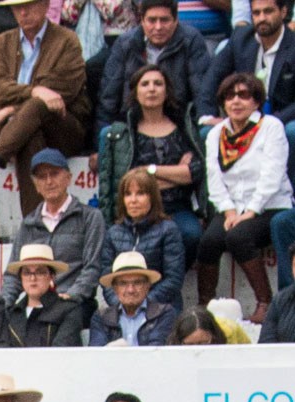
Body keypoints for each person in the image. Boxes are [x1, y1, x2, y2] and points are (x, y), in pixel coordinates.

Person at [0, 0, 89, 218]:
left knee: (41, 104)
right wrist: (35, 91)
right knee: (30, 135)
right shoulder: (0, 43)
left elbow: (63, 90)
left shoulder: (67, 40)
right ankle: (38, 223)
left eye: (29, 4)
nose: (23, 11)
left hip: (61, 126)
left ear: (45, 5)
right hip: (16, 133)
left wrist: (8, 110)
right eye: (16, 7)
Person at [199, 73, 289, 321]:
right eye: (230, 96)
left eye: (244, 95)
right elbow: (213, 177)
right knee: (209, 241)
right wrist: (228, 210)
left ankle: (265, 302)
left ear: (256, 101)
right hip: (232, 207)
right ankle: (203, 306)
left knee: (239, 236)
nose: (236, 101)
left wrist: (251, 210)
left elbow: (273, 174)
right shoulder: (216, 133)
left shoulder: (270, 127)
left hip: (270, 205)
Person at [100, 66, 203, 275]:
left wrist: (151, 170)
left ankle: (168, 283)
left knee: (192, 234)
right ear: (135, 92)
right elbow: (127, 181)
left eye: (158, 84)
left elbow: (193, 172)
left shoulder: (184, 126)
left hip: (176, 207)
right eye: (145, 84)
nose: (152, 89)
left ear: (167, 91)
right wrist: (176, 174)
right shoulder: (122, 133)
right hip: (138, 209)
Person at [0, 149, 105, 318]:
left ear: (68, 178)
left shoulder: (90, 217)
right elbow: (13, 275)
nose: (49, 181)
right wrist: (2, 307)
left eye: (54, 174)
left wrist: (70, 296)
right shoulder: (29, 223)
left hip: (74, 305)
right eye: (42, 176)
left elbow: (92, 268)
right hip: (36, 303)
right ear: (36, 185)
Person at [97, 0, 210, 142]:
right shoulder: (125, 43)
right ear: (142, 20)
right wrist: (99, 145)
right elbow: (108, 97)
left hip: (178, 125)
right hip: (131, 124)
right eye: (152, 20)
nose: (158, 27)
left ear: (176, 20)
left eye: (164, 20)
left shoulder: (191, 40)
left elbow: (202, 93)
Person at [203, 0, 295, 138]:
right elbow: (212, 78)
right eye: (256, 13)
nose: (262, 18)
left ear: (283, 12)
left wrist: (271, 123)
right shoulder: (241, 38)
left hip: (283, 118)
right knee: (208, 132)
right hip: (244, 116)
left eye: (268, 11)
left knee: (292, 131)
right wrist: (207, 116)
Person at [99, 163, 187, 309]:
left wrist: (142, 306)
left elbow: (173, 280)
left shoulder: (168, 229)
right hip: (122, 307)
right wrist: (123, 306)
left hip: (162, 306)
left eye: (140, 193)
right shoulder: (113, 233)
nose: (133, 200)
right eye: (128, 194)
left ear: (152, 197)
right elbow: (107, 280)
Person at [4, 239, 88, 343]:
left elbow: (63, 348)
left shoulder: (69, 310)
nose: (32, 278)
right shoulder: (11, 315)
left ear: (52, 276)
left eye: (39, 272)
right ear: (20, 277)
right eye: (26, 273)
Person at [89, 247, 175, 340]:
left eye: (137, 283)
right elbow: (98, 352)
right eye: (123, 284)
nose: (131, 290)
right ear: (114, 288)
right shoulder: (101, 317)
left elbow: (156, 350)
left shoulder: (163, 313)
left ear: (148, 285)